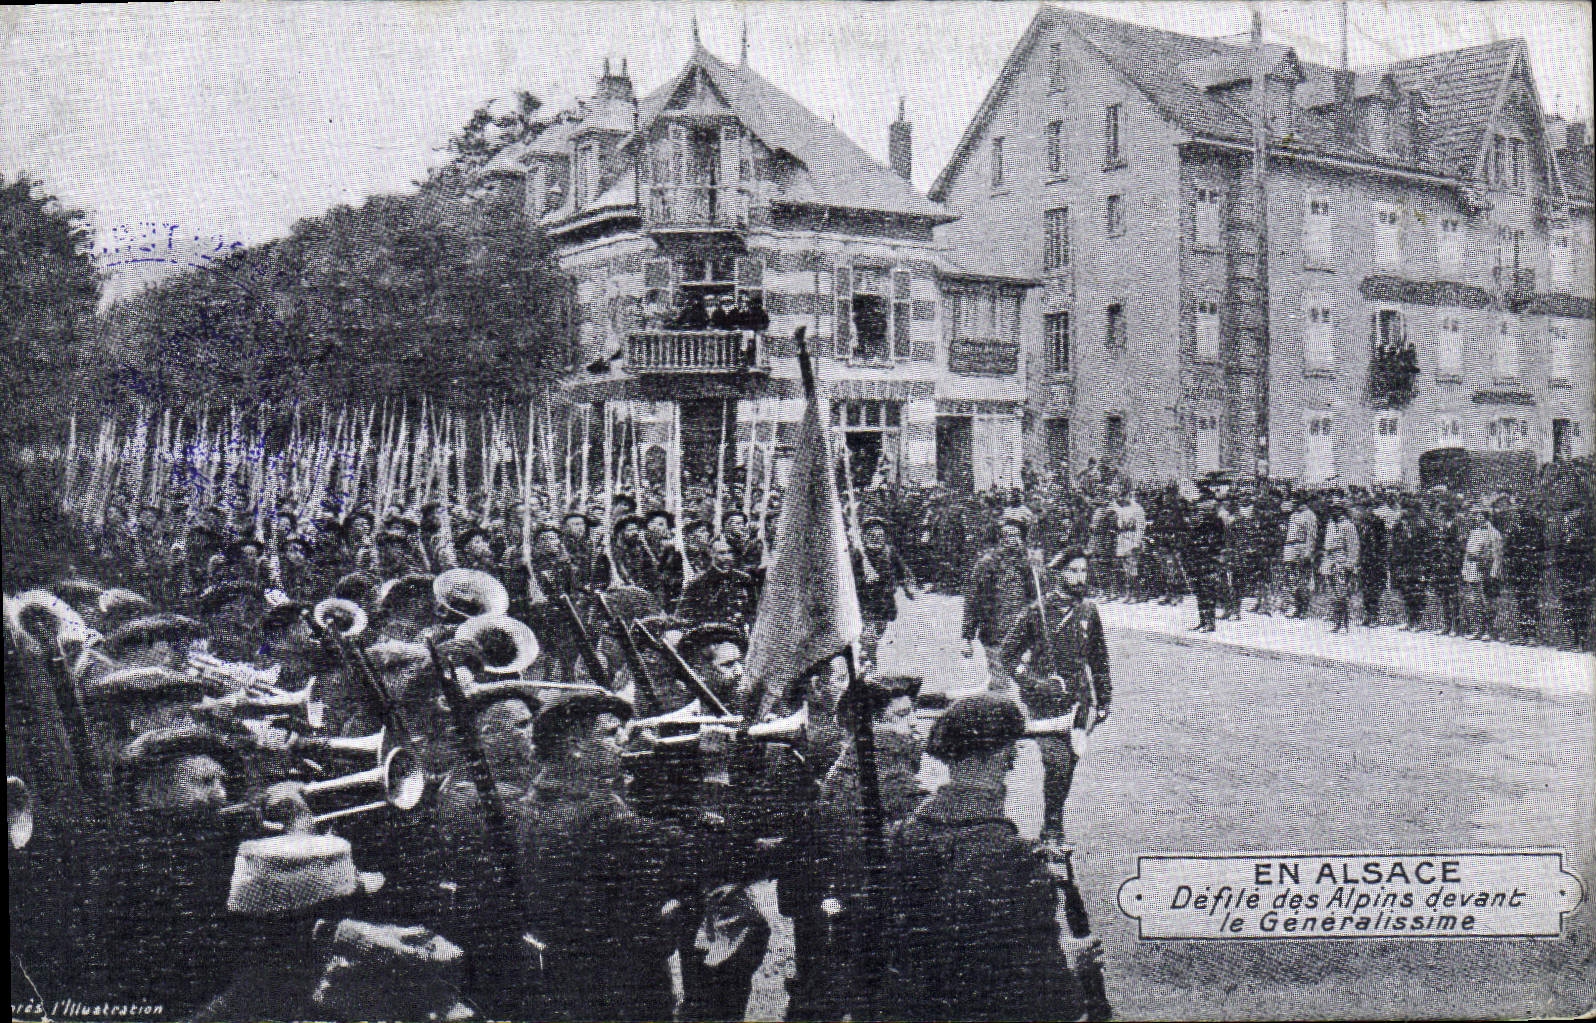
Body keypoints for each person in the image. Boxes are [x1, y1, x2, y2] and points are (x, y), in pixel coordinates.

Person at [886, 694, 1099, 1021]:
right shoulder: (1013, 855)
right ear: (1007, 757)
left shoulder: (908, 833)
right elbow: (1047, 998)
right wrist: (1072, 963)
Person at [518, 690, 695, 1022]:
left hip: (572, 969)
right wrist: (714, 771)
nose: (624, 740)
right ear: (575, 746)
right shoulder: (597, 813)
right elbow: (688, 850)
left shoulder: (537, 799)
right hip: (623, 978)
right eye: (611, 733)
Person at [94, 725, 251, 1016]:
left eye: (222, 782)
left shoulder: (202, 844)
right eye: (205, 782)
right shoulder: (145, 862)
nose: (222, 795)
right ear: (151, 791)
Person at [998, 547, 1111, 841]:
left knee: (1069, 763)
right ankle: (1052, 828)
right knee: (1056, 761)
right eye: (1072, 571)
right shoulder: (1038, 610)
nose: (1079, 577)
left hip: (1078, 699)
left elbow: (1098, 658)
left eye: (1083, 571)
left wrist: (1104, 699)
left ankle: (1053, 819)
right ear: (1059, 574)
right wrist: (1033, 683)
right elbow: (1007, 655)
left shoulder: (1089, 611)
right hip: (1045, 700)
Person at [962, 519, 1043, 694]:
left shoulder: (1029, 565)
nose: (1012, 540)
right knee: (1001, 683)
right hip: (995, 634)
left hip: (1024, 635)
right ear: (1000, 539)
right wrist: (967, 638)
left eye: (1016, 535)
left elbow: (1038, 600)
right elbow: (973, 601)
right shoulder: (987, 565)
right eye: (1007, 535)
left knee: (1026, 682)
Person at [852, 517, 918, 668]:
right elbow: (849, 577)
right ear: (864, 536)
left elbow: (902, 571)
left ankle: (865, 656)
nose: (876, 539)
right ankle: (869, 664)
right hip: (865, 601)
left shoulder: (889, 552)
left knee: (878, 631)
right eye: (871, 535)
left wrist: (908, 587)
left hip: (885, 601)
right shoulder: (858, 554)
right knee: (869, 633)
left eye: (879, 535)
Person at [677, 536, 760, 628]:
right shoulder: (698, 582)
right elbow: (685, 615)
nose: (727, 557)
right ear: (712, 554)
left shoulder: (744, 579)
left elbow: (755, 610)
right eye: (722, 553)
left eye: (729, 552)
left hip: (739, 630)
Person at [1503, 498, 1547, 645]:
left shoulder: (1535, 523)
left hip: (1530, 566)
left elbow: (1540, 546)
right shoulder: (1512, 524)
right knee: (1520, 600)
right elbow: (1507, 547)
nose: (1519, 508)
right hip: (1517, 567)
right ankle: (1523, 633)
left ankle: (1532, 634)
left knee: (1531, 600)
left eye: (1522, 505)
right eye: (1517, 505)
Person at [1184, 485, 1227, 633]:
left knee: (1208, 591)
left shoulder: (1216, 523)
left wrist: (1219, 556)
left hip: (1209, 558)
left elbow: (1222, 541)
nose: (1202, 508)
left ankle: (1210, 622)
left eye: (1205, 504)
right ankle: (1203, 621)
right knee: (1199, 591)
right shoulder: (1195, 524)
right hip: (1196, 557)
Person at [1388, 497, 1431, 630]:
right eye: (1403, 508)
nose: (1404, 512)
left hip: (1416, 562)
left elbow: (1424, 546)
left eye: (1407, 509)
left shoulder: (1420, 525)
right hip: (1402, 562)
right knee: (1405, 590)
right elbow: (1393, 544)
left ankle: (1418, 621)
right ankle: (1410, 620)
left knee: (1417, 591)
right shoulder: (1398, 525)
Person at [1320, 502, 1361, 633]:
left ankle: (1344, 623)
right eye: (1332, 509)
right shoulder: (1331, 525)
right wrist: (1325, 562)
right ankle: (1336, 622)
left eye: (1337, 509)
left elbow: (1353, 547)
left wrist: (1350, 564)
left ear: (1342, 511)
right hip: (1330, 561)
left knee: (1342, 593)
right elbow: (1327, 546)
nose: (1334, 512)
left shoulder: (1348, 526)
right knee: (1333, 593)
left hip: (1342, 560)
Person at [1281, 496, 1320, 618]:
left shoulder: (1309, 515)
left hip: (1301, 547)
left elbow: (1311, 536)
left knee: (1302, 578)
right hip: (1290, 548)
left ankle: (1303, 607)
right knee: (1290, 578)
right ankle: (1293, 605)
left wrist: (1308, 552)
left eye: (1296, 499)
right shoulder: (1293, 514)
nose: (1293, 501)